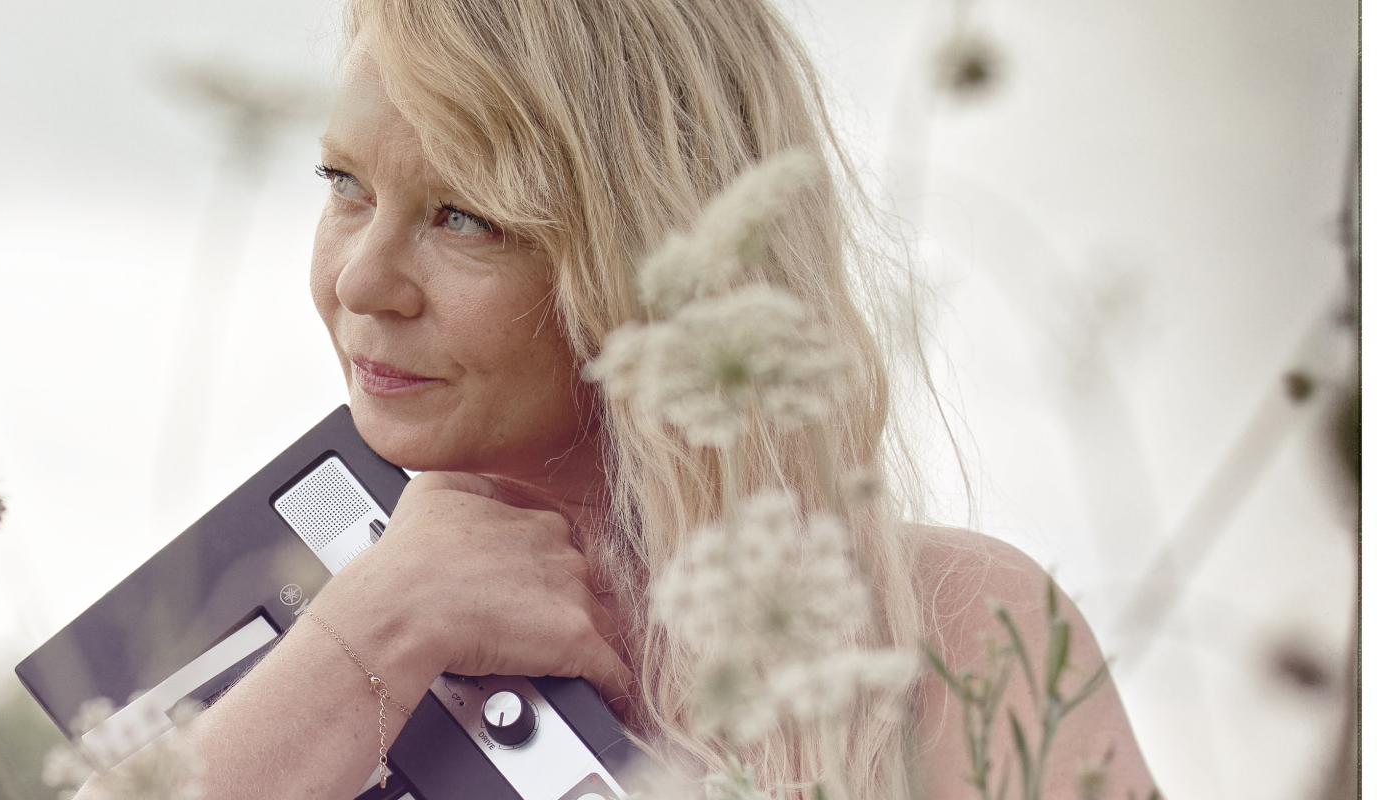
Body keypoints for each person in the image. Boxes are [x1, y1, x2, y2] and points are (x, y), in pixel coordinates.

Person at [77, 0, 1156, 798]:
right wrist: (377, 627)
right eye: (344, 185)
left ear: (651, 253)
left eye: (465, 215)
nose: (361, 280)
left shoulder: (951, 628)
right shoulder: (246, 629)